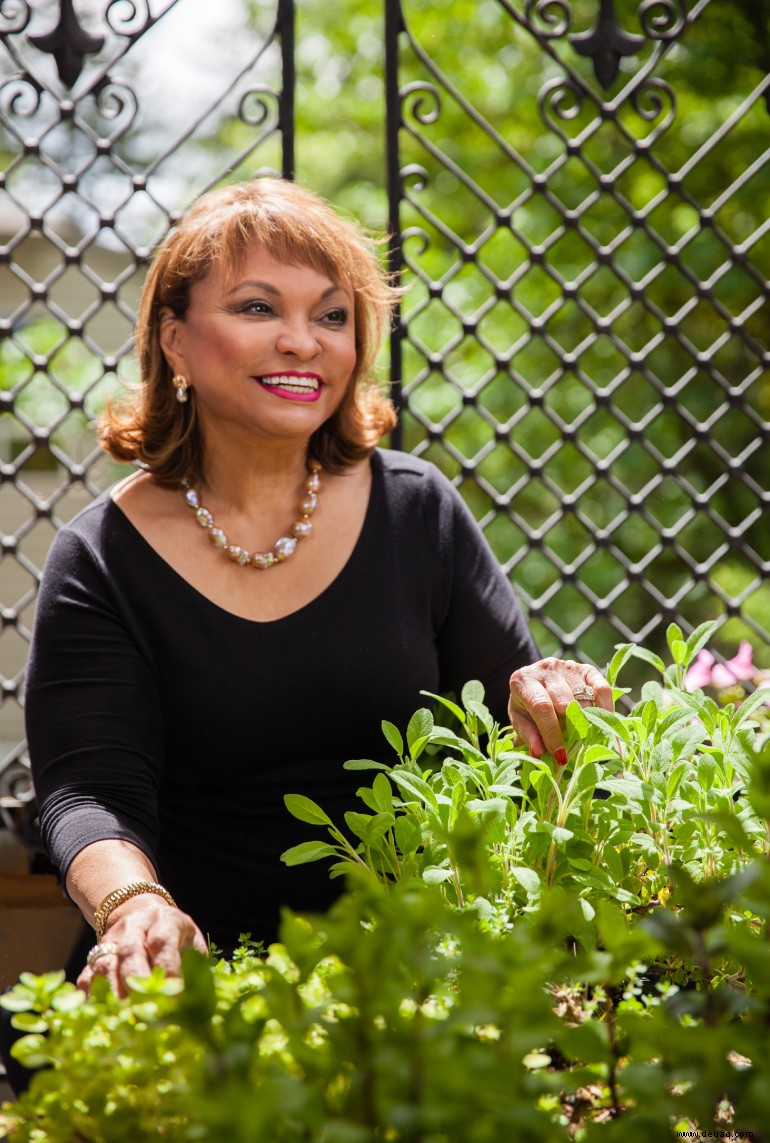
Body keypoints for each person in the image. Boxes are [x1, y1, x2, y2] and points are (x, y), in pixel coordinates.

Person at [24, 178, 612, 999]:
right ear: (176, 342)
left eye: (332, 315)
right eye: (259, 309)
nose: (303, 341)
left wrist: (554, 705)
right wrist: (135, 908)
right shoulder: (101, 556)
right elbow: (90, 793)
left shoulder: (419, 512)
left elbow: (506, 757)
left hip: (422, 984)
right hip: (197, 986)